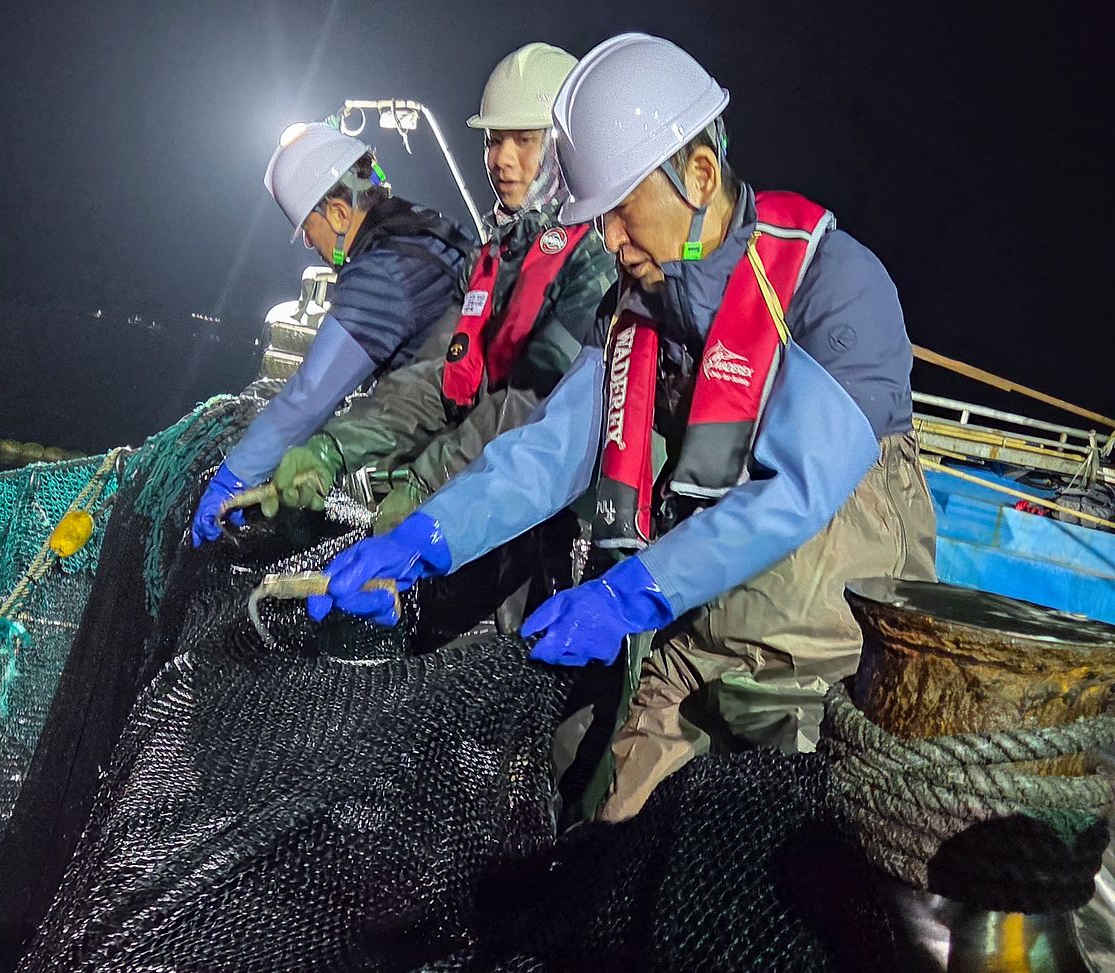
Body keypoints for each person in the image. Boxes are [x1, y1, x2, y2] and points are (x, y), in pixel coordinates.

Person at [310, 32, 937, 822]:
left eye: (620, 209)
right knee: (612, 824)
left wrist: (631, 594)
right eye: (597, 216)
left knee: (777, 844)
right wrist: (427, 539)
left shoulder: (835, 285)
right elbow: (551, 449)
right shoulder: (637, 310)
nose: (608, 239)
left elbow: (798, 492)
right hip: (693, 630)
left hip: (827, 659)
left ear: (699, 174)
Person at [256, 42, 616, 544]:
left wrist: (426, 482)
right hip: (485, 514)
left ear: (566, 148)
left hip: (562, 528)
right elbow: (435, 378)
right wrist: (333, 448)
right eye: (493, 140)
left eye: (525, 140)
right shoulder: (493, 258)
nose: (502, 160)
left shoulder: (599, 258)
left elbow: (531, 401)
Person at [190, 122, 472, 546]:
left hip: (454, 473)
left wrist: (233, 478)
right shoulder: (433, 228)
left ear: (339, 214)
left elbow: (308, 398)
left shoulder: (381, 273)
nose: (308, 242)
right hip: (483, 441)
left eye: (308, 227)